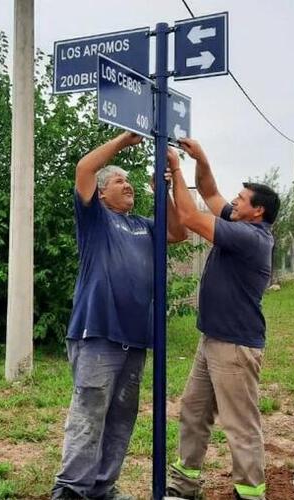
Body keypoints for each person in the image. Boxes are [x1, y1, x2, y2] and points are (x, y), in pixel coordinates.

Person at [52, 132, 187, 500]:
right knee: (90, 412)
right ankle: (70, 489)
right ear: (100, 193)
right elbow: (84, 168)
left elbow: (178, 232)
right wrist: (124, 139)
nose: (127, 185)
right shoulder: (95, 220)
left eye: (129, 180)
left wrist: (166, 191)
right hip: (97, 332)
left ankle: (102, 487)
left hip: (136, 338)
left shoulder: (144, 225)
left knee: (121, 417)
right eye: (118, 180)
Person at [166, 139, 279, 500]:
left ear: (257, 212)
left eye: (242, 199)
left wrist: (178, 172)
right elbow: (211, 192)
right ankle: (184, 486)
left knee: (240, 425)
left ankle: (250, 494)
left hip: (234, 345)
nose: (234, 201)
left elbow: (189, 217)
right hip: (211, 338)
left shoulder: (251, 237)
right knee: (193, 411)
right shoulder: (237, 220)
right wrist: (201, 159)